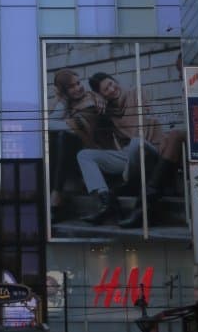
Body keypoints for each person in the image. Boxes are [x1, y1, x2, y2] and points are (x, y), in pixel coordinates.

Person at [76, 70, 183, 226]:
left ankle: (128, 184)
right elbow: (93, 127)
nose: (112, 89)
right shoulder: (108, 111)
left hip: (151, 149)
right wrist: (93, 98)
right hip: (129, 156)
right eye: (105, 90)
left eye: (111, 84)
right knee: (84, 155)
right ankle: (106, 201)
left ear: (115, 81)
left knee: (136, 143)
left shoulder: (136, 93)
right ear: (102, 95)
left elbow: (149, 121)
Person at [48, 69, 105, 212]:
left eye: (78, 83)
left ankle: (56, 194)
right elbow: (51, 121)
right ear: (64, 91)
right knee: (52, 137)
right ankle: (51, 192)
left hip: (91, 153)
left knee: (64, 135)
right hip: (71, 157)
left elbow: (72, 128)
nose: (78, 88)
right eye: (71, 87)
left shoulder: (91, 102)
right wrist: (60, 98)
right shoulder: (71, 102)